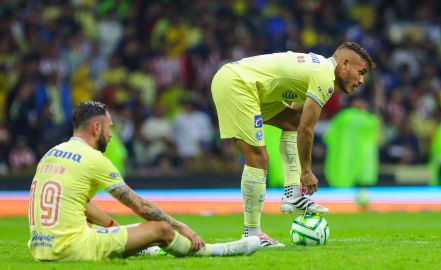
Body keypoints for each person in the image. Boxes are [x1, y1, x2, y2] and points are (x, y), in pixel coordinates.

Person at [27, 101, 260, 262]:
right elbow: (140, 206)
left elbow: (78, 202)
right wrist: (182, 227)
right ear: (96, 127)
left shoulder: (52, 153)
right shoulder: (93, 159)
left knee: (103, 228)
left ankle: (138, 247)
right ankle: (210, 251)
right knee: (161, 228)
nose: (110, 135)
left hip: (41, 248)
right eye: (110, 128)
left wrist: (111, 227)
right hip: (71, 250)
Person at [211, 42, 374, 246]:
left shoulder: (318, 69)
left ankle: (292, 194)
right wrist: (306, 172)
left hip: (246, 84)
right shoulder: (324, 78)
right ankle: (252, 233)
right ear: (345, 64)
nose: (361, 80)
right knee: (258, 158)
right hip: (238, 84)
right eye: (361, 72)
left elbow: (297, 120)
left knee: (291, 122)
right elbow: (307, 130)